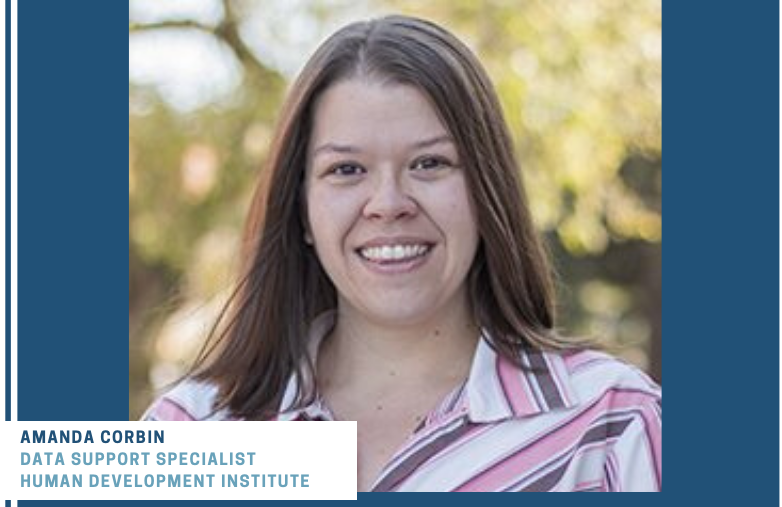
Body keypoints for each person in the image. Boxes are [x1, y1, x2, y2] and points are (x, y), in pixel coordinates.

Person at [143, 15, 662, 492]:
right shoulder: (192, 432)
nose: (388, 204)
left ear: (488, 191)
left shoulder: (611, 425)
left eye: (430, 163)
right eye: (346, 170)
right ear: (301, 209)